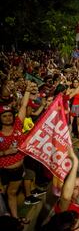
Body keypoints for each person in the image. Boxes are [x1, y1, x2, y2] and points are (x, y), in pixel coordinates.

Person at [0, 81, 36, 222]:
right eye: (4, 116)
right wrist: (5, 153)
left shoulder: (17, 125)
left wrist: (27, 91)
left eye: (10, 115)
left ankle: (14, 219)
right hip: (3, 171)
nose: (8, 117)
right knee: (5, 195)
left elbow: (23, 106)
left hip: (18, 168)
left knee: (12, 193)